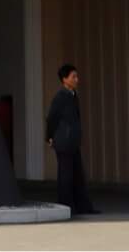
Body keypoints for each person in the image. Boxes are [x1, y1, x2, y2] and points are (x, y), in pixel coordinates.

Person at [46, 64, 98, 216]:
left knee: (77, 175)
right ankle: (66, 208)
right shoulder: (60, 96)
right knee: (65, 176)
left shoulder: (73, 95)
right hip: (63, 142)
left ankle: (82, 207)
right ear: (64, 79)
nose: (77, 79)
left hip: (73, 142)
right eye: (73, 76)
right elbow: (52, 118)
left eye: (77, 76)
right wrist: (48, 137)